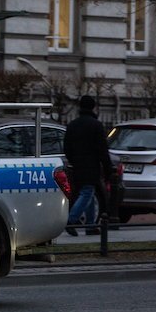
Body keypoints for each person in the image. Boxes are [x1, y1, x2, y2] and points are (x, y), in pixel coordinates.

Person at [63, 95, 113, 236]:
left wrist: (74, 160)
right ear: (93, 107)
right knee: (87, 192)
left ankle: (91, 225)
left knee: (88, 194)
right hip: (91, 165)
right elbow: (103, 150)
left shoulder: (72, 125)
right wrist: (108, 168)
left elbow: (67, 147)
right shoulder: (96, 125)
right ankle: (71, 220)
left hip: (77, 165)